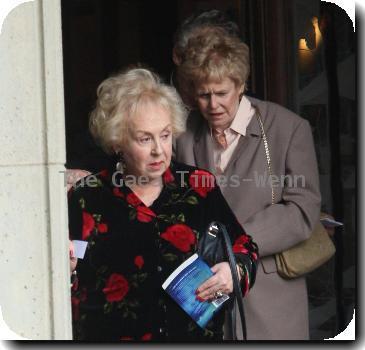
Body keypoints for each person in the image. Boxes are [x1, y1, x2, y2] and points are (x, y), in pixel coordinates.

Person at [68, 67, 258, 341]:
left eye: (166, 135)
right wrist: (66, 269)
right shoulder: (88, 196)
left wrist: (234, 272)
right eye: (145, 138)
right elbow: (66, 274)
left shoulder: (198, 187)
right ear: (118, 140)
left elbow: (245, 248)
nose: (159, 149)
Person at [174, 26, 321, 340]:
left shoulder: (288, 128)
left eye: (222, 93)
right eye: (203, 94)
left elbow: (302, 209)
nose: (213, 105)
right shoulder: (182, 133)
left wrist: (234, 246)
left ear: (240, 84)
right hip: (201, 299)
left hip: (269, 301)